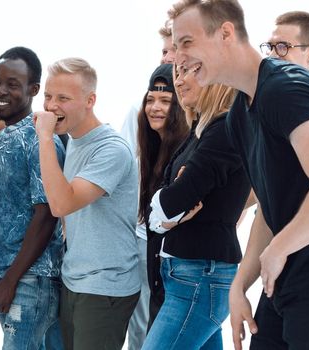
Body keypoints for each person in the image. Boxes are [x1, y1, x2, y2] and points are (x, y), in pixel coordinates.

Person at [167, 0, 309, 348]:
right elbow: (271, 204)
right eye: (176, 47)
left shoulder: (287, 88)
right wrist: (239, 285)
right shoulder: (239, 113)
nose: (178, 58)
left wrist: (279, 248)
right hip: (285, 276)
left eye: (186, 43)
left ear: (225, 33)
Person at [35, 57, 140, 350]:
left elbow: (61, 205)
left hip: (105, 286)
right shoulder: (74, 142)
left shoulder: (112, 150)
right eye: (48, 96)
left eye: (63, 98)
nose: (51, 106)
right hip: (75, 280)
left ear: (90, 100)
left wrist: (44, 138)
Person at [141, 64, 248, 349]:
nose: (179, 79)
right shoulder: (202, 129)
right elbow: (166, 203)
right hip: (192, 275)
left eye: (189, 71)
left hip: (201, 276)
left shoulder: (223, 130)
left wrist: (164, 206)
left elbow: (172, 201)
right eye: (178, 71)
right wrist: (165, 205)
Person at [0, 46, 65, 350]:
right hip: (10, 279)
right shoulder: (4, 137)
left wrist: (10, 280)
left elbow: (46, 214)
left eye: (12, 84)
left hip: (31, 280)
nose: (1, 91)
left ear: (33, 90)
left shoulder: (41, 139)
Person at [121, 23, 180, 350]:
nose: (170, 57)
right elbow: (127, 176)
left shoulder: (206, 118)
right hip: (145, 240)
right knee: (144, 329)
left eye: (176, 50)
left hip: (187, 253)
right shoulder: (140, 112)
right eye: (164, 51)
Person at [132, 64, 190, 347]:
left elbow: (179, 210)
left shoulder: (188, 148)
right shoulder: (150, 148)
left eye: (166, 101)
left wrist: (164, 219)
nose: (154, 107)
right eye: (150, 100)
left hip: (180, 270)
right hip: (151, 260)